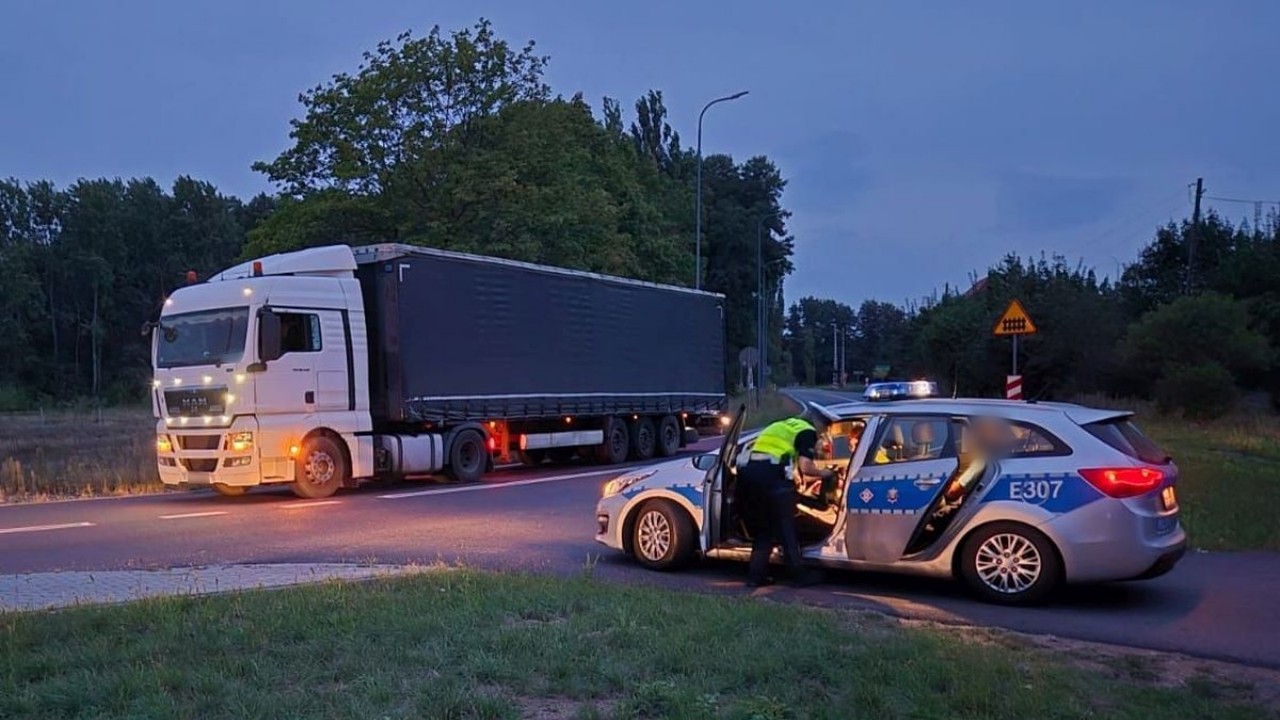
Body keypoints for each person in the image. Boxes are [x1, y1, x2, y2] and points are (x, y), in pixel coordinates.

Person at [736, 412, 835, 588]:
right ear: (820, 426)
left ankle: (755, 577)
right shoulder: (807, 432)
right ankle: (798, 576)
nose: (821, 437)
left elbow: (781, 459)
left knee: (764, 531)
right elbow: (806, 466)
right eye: (824, 432)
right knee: (786, 528)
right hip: (772, 480)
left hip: (749, 479)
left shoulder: (781, 425)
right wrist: (824, 473)